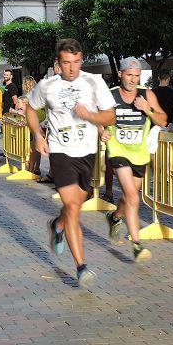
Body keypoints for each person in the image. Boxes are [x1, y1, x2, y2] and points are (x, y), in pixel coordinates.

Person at [26, 39, 116, 290]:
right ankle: (81, 266)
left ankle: (57, 224)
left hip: (87, 152)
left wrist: (90, 115)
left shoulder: (93, 82)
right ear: (59, 62)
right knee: (73, 206)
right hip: (60, 151)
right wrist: (37, 135)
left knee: (79, 201)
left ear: (81, 60)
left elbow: (110, 115)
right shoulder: (47, 86)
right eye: (66, 63)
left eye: (76, 62)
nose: (72, 68)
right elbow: (31, 110)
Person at [103, 57, 166, 262]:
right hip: (118, 150)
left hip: (140, 153)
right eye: (129, 75)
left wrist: (147, 109)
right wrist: (99, 131)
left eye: (136, 76)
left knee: (129, 197)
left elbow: (164, 120)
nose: (132, 80)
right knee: (132, 196)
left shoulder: (146, 94)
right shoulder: (110, 95)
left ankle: (115, 217)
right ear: (120, 74)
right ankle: (137, 245)